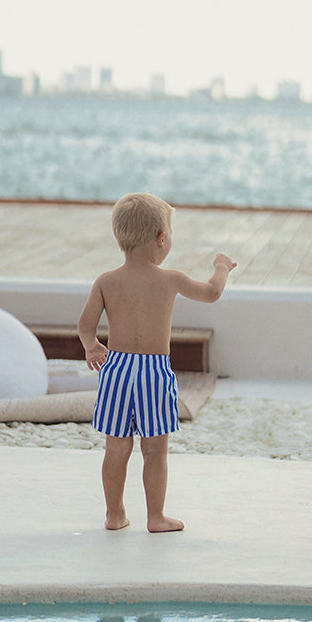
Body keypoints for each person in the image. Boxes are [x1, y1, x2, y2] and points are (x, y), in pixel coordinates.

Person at [77, 192, 236, 533]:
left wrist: (92, 348)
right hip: (152, 373)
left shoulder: (106, 281)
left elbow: (85, 325)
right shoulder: (171, 279)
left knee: (116, 447)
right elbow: (211, 293)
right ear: (161, 239)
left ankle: (115, 514)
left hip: (116, 369)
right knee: (155, 450)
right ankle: (155, 517)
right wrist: (221, 268)